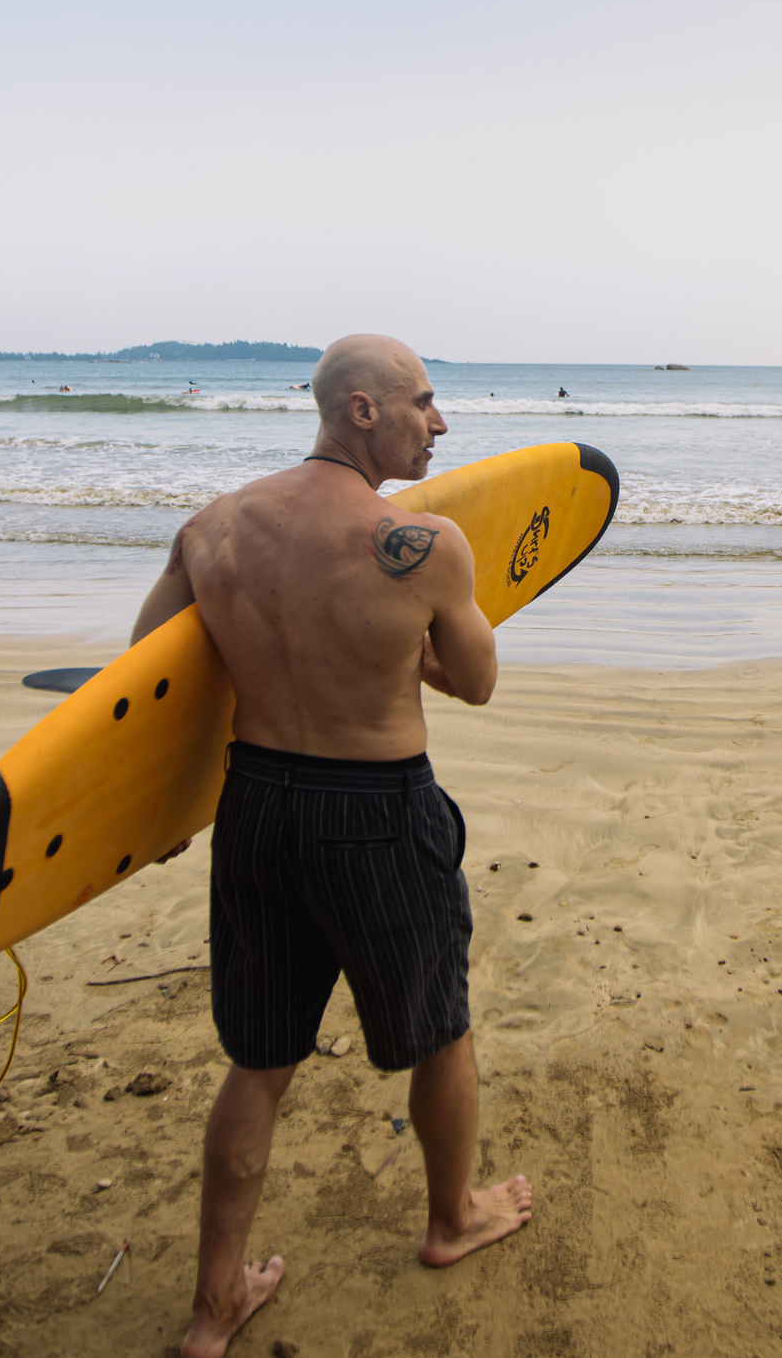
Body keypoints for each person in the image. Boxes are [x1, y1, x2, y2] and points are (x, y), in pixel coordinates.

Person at [129, 333, 532, 1358]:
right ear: (364, 411)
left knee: (259, 1060)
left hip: (256, 807)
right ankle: (453, 1218)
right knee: (439, 1027)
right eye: (425, 403)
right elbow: (477, 683)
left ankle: (213, 1305)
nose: (439, 423)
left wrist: (159, 818)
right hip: (379, 811)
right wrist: (413, 657)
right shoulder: (426, 544)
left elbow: (147, 690)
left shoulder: (210, 530)